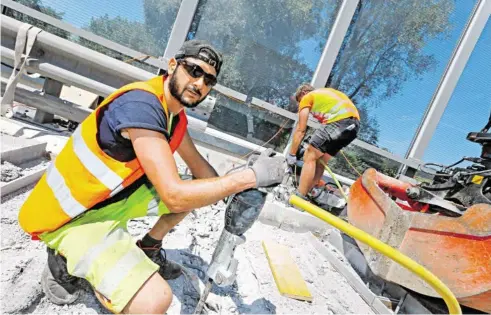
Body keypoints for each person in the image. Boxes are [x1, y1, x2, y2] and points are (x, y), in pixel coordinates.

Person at [17, 39, 286, 314]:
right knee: (155, 300)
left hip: (104, 201)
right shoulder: (141, 105)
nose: (200, 83)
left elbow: (201, 172)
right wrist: (249, 178)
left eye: (209, 80)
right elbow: (173, 195)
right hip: (69, 217)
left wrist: (245, 179)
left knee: (199, 190)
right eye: (194, 70)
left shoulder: (174, 117)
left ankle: (148, 246)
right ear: (172, 66)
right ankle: (61, 260)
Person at [286, 83, 360, 202]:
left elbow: (301, 130)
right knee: (320, 161)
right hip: (353, 127)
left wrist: (292, 154)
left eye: (299, 102)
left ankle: (299, 198)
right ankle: (311, 192)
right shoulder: (326, 94)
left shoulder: (307, 97)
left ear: (304, 93)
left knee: (309, 155)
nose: (301, 105)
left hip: (339, 122)